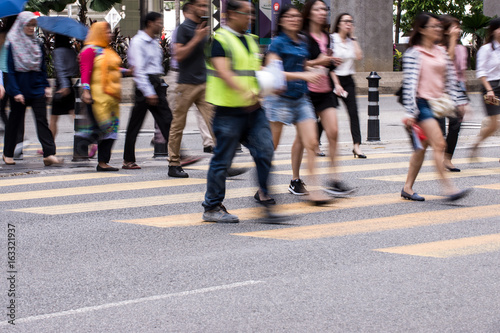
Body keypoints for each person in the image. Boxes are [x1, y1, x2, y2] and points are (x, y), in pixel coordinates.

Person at [202, 0, 276, 223]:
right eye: (247, 13)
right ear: (232, 14)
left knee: (265, 151)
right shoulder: (220, 40)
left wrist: (272, 82)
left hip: (254, 111)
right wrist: (245, 92)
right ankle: (212, 207)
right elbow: (223, 71)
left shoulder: (252, 41)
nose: (251, 18)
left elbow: (256, 71)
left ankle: (265, 199)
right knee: (222, 160)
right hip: (229, 111)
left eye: (252, 14)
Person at [263, 4, 332, 204]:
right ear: (282, 21)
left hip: (301, 99)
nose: (294, 19)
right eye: (289, 17)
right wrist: (303, 75)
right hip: (279, 99)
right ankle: (262, 187)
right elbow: (274, 72)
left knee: (311, 143)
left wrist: (316, 65)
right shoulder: (277, 43)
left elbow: (302, 63)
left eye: (296, 16)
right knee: (271, 147)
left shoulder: (302, 41)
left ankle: (312, 190)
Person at [401, 12, 469, 201]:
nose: (438, 30)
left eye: (439, 27)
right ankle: (449, 189)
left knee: (421, 148)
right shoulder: (413, 53)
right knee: (440, 143)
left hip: (437, 105)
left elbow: (450, 80)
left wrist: (458, 102)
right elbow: (409, 85)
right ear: (422, 29)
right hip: (421, 104)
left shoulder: (440, 51)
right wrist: (410, 112)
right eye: (434, 26)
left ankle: (407, 187)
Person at [299, 0, 353, 196]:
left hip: (325, 91)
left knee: (334, 132)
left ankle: (334, 179)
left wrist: (331, 62)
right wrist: (319, 61)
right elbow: (299, 64)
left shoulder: (327, 37)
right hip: (307, 92)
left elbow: (326, 65)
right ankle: (304, 183)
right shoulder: (303, 37)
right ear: (309, 13)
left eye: (324, 9)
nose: (323, 12)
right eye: (318, 9)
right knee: (309, 141)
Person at [2, 12, 63, 166]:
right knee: (14, 123)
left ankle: (49, 154)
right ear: (21, 25)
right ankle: (7, 153)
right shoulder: (12, 45)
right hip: (20, 90)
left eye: (33, 25)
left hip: (36, 89)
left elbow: (42, 69)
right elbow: (10, 70)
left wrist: (46, 86)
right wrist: (15, 92)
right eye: (28, 25)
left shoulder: (37, 44)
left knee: (42, 121)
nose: (30, 28)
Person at [168, 0, 215, 178]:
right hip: (185, 83)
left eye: (205, 6)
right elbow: (178, 55)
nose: (204, 9)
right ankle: (173, 164)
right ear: (190, 8)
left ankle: (222, 163)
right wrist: (196, 38)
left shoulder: (201, 27)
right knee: (178, 125)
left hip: (203, 83)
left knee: (214, 122)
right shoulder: (184, 29)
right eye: (201, 5)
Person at [123, 12, 173, 170]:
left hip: (155, 83)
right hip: (145, 85)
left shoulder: (153, 42)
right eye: (159, 22)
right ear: (150, 23)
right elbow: (139, 70)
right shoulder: (138, 42)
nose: (160, 25)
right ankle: (128, 159)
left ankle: (177, 155)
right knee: (135, 124)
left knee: (167, 120)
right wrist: (148, 91)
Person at [80, 22, 127, 171]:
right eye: (106, 32)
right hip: (98, 98)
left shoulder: (107, 51)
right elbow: (85, 72)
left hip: (112, 98)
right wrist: (86, 91)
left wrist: (127, 71)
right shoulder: (89, 50)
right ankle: (81, 146)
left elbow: (114, 69)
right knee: (102, 129)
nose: (110, 34)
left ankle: (103, 162)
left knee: (111, 132)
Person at [330, 13, 366, 159]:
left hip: (348, 80)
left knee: (354, 113)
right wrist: (336, 84)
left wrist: (354, 37)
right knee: (326, 112)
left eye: (350, 21)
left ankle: (356, 146)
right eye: (345, 21)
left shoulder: (351, 41)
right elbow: (329, 65)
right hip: (333, 78)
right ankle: (316, 144)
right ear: (338, 24)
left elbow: (359, 56)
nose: (348, 24)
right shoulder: (332, 39)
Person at [438, 15, 469, 172]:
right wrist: (451, 41)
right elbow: (447, 63)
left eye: (459, 26)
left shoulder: (462, 49)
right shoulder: (439, 48)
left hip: (456, 89)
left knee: (455, 125)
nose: (458, 30)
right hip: (438, 89)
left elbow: (461, 74)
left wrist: (464, 97)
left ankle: (447, 159)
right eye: (454, 27)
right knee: (437, 129)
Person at [470, 18, 500, 159]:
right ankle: (476, 144)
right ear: (494, 31)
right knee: (494, 125)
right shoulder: (486, 49)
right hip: (490, 87)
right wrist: (489, 90)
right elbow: (481, 72)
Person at [50, 34, 78, 141]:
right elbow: (75, 69)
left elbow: (60, 69)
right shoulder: (72, 51)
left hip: (62, 86)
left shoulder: (57, 52)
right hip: (69, 84)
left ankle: (49, 147)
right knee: (74, 116)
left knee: (53, 118)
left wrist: (64, 86)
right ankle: (88, 142)